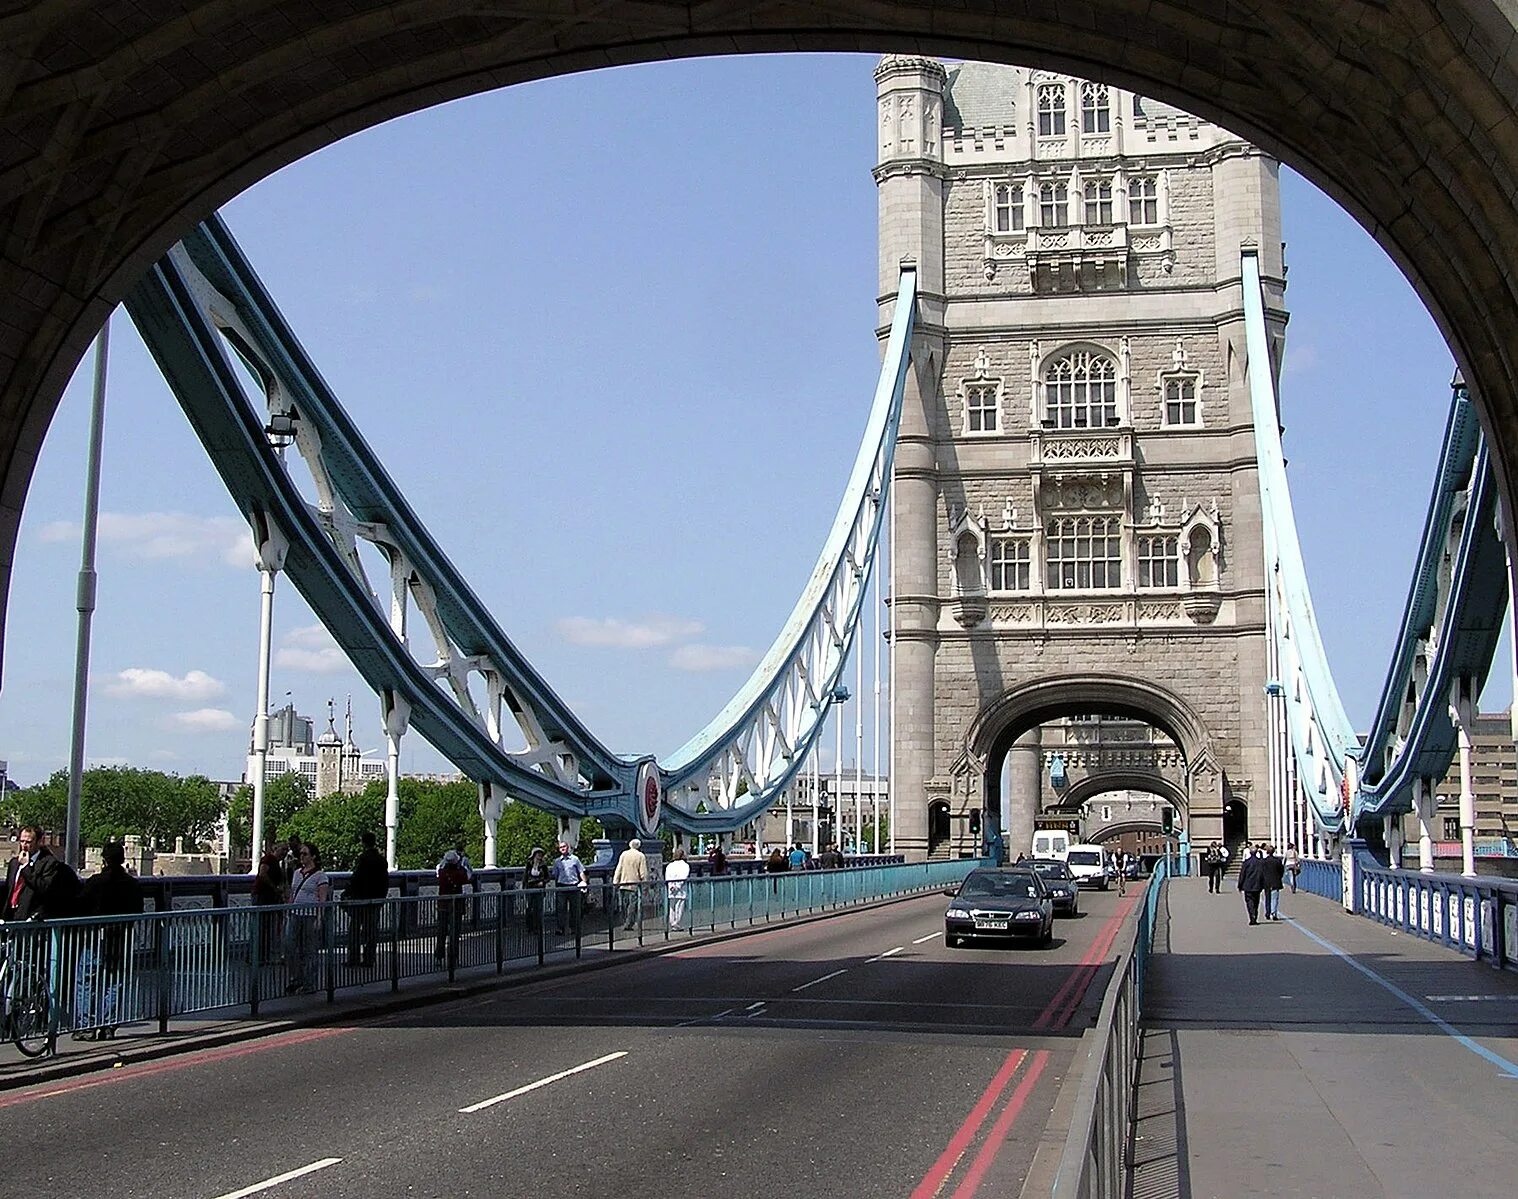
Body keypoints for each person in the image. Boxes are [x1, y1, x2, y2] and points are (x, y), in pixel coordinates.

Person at [72, 841, 143, 1040]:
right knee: (115, 981)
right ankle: (108, 1025)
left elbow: (80, 905)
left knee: (87, 980)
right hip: (120, 937)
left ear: (104, 860)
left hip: (95, 936)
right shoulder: (132, 884)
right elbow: (138, 911)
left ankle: (87, 1026)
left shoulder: (95, 882)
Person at [2, 827, 80, 921]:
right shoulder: (14, 863)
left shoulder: (48, 863)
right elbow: (9, 889)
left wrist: (27, 868)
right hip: (11, 914)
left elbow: (44, 888)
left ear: (39, 842)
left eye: (29, 842)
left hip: (31, 916)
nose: (24, 845)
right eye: (22, 841)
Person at [283, 843, 330, 993]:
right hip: (295, 914)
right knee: (290, 947)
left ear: (313, 856)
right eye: (300, 854)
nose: (301, 857)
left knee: (309, 950)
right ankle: (296, 979)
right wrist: (288, 911)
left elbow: (322, 899)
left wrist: (319, 918)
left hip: (310, 916)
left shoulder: (320, 876)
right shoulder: (297, 873)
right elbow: (292, 893)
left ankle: (309, 983)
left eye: (305, 854)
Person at [343, 831, 388, 968]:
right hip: (375, 900)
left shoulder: (363, 859)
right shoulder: (381, 860)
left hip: (360, 899)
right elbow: (385, 881)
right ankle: (369, 958)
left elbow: (356, 878)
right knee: (371, 931)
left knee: (355, 930)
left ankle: (353, 958)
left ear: (363, 842)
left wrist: (348, 891)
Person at [250, 843, 287, 961]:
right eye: (283, 849)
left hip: (269, 897)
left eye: (286, 850)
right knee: (261, 926)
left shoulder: (277, 863)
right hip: (262, 895)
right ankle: (256, 956)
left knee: (267, 927)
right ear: (275, 848)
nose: (285, 853)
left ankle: (262, 956)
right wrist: (275, 888)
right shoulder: (268, 859)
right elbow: (262, 873)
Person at [434, 848, 470, 963]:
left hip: (443, 905)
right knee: (455, 933)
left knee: (441, 932)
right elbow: (468, 876)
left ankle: (439, 956)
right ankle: (453, 956)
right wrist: (463, 863)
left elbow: (438, 869)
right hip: (456, 906)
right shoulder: (460, 873)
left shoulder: (442, 873)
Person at [549, 840, 588, 935]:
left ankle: (573, 928)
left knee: (574, 909)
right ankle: (560, 928)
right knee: (561, 909)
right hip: (562, 886)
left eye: (564, 847)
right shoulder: (557, 861)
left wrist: (584, 882)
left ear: (568, 848)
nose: (562, 849)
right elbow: (555, 875)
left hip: (573, 886)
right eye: (560, 847)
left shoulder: (575, 859)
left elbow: (581, 871)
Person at [612, 838, 649, 931]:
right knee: (632, 905)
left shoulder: (624, 854)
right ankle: (629, 923)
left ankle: (625, 921)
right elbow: (643, 872)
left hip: (623, 883)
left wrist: (615, 881)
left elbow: (619, 868)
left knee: (625, 904)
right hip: (634, 884)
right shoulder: (641, 856)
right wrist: (645, 883)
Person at [520, 846, 551, 933]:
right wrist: (524, 888)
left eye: (541, 854)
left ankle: (538, 927)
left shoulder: (543, 865)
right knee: (529, 908)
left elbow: (548, 877)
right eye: (538, 854)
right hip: (530, 888)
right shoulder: (529, 864)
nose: (539, 856)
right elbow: (525, 877)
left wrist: (543, 882)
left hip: (539, 888)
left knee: (538, 908)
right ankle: (529, 927)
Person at [1236, 844, 1267, 926]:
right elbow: (1263, 874)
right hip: (1257, 885)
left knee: (1249, 901)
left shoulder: (1246, 863)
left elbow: (1242, 874)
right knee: (1256, 901)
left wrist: (1240, 885)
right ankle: (1255, 916)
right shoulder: (1260, 862)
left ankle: (1251, 916)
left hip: (1248, 885)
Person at [664, 848, 690, 930]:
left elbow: (667, 876)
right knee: (680, 906)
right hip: (681, 889)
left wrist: (671, 885)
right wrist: (678, 886)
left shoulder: (670, 865)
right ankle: (677, 923)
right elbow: (684, 876)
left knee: (672, 907)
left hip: (671, 888)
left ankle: (672, 922)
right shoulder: (685, 865)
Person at [1261, 844, 1286, 921]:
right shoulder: (1278, 861)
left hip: (1266, 882)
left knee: (1267, 898)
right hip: (1275, 881)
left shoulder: (1264, 861)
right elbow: (1281, 871)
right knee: (1275, 898)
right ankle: (1274, 912)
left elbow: (1261, 872)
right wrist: (1279, 877)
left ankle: (1267, 913)